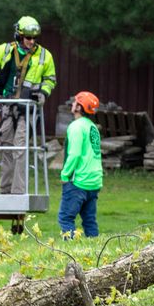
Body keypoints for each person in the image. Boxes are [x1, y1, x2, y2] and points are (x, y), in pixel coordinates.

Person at [0, 15, 57, 194]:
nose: (32, 41)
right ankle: (5, 191)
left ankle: (18, 192)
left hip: (27, 108)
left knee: (20, 147)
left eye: (34, 38)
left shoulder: (45, 56)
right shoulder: (3, 51)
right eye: (28, 38)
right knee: (6, 147)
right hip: (6, 106)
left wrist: (43, 93)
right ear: (19, 35)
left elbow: (50, 79)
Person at [59, 90, 103, 237]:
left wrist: (65, 174)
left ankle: (70, 248)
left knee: (66, 218)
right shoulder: (93, 127)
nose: (72, 104)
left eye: (75, 102)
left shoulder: (76, 126)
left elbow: (75, 154)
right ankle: (95, 247)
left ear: (79, 107)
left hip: (78, 181)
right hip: (94, 181)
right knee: (89, 220)